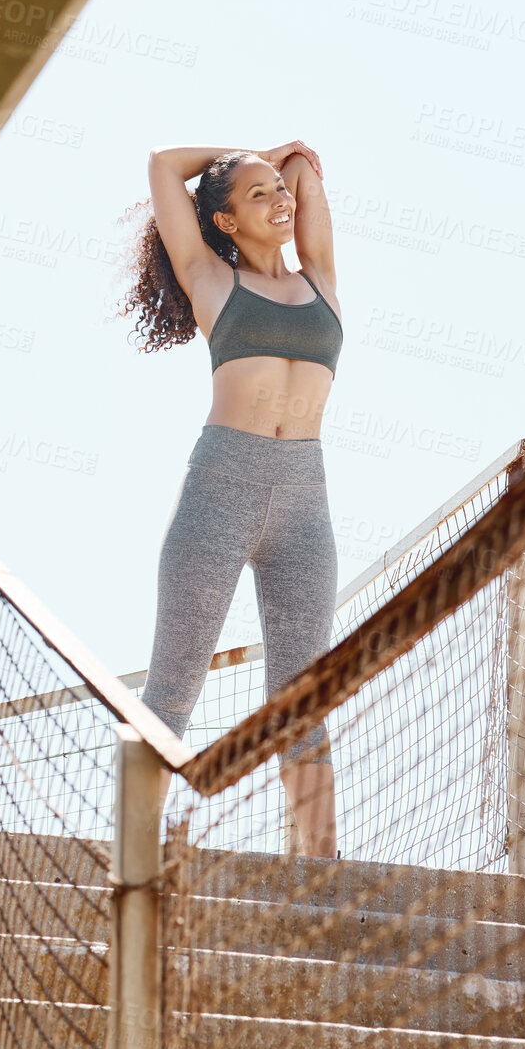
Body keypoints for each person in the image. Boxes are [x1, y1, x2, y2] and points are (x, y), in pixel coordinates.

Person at [115, 140, 343, 856]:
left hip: (305, 502)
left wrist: (275, 168)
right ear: (220, 221)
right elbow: (161, 166)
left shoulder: (322, 279)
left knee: (302, 704)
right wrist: (255, 152)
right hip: (221, 488)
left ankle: (323, 869)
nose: (280, 199)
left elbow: (307, 170)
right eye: (257, 196)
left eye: (280, 191)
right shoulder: (209, 279)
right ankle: (134, 853)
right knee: (173, 690)